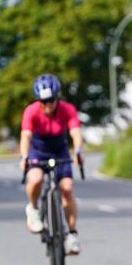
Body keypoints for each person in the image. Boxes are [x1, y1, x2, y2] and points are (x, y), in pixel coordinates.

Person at [19, 74, 84, 255]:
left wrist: (78, 151)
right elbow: (26, 136)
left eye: (51, 100)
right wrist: (24, 157)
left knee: (67, 189)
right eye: (43, 101)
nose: (47, 105)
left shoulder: (67, 109)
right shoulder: (31, 111)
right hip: (37, 151)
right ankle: (33, 209)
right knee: (36, 179)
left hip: (59, 150)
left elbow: (75, 132)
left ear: (57, 98)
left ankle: (71, 234)